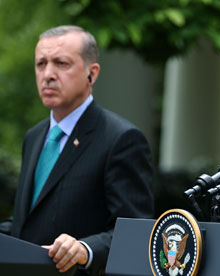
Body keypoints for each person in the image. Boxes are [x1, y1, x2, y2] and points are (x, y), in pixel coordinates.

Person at [0, 26, 154, 275]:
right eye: (41, 64)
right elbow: (26, 225)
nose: (48, 74)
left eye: (61, 63)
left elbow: (136, 234)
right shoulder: (34, 137)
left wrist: (85, 249)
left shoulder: (122, 139)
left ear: (91, 73)